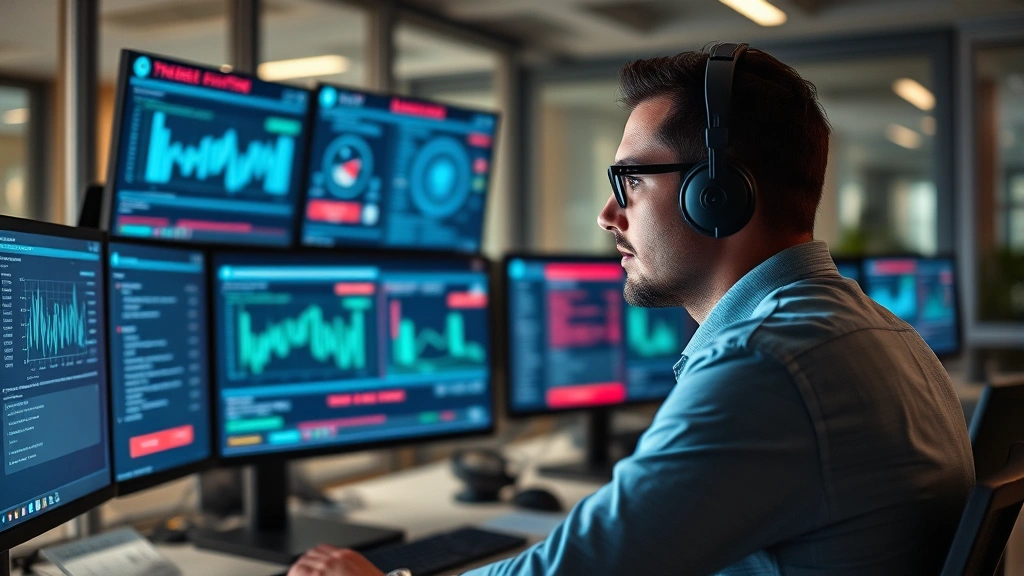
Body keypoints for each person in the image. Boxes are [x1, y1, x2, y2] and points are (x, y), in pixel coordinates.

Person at [288, 44, 974, 576]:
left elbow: (577, 570)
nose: (607, 214)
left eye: (632, 180)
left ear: (716, 194)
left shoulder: (767, 364)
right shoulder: (883, 333)